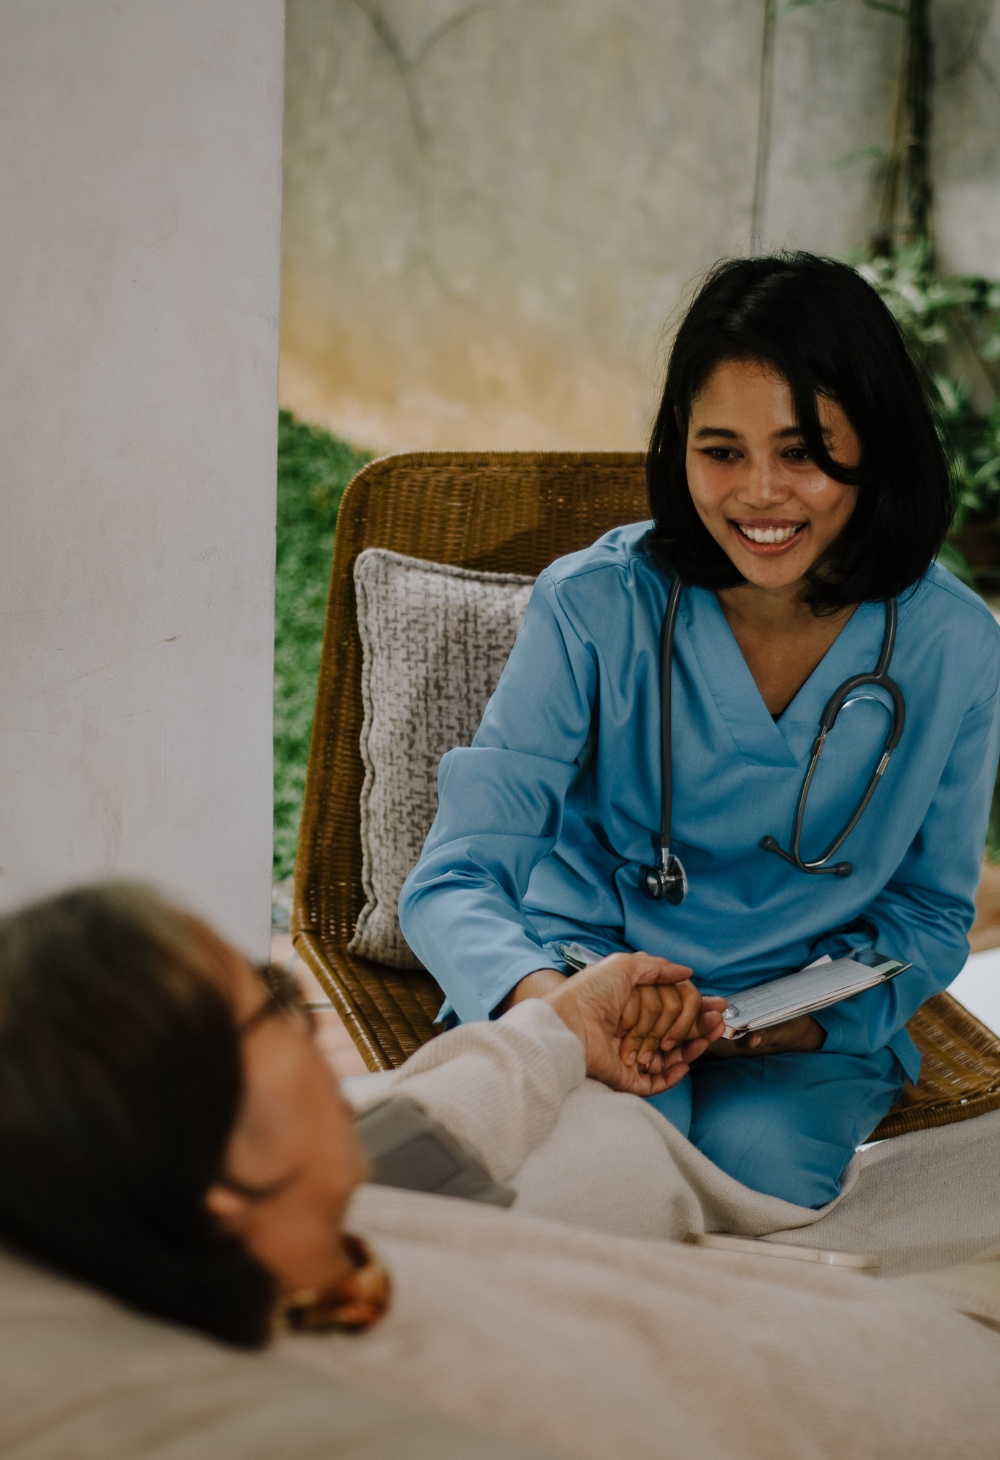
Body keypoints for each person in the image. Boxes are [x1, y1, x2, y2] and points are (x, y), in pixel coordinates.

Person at [0, 882, 998, 1460]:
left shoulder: (287, 1209)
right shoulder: (309, 1403)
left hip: (823, 1313)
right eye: (267, 1000)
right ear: (222, 1154)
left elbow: (421, 1119)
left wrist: (565, 1023)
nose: (302, 1018)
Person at [399, 252, 1000, 1208]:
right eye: (722, 451)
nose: (758, 493)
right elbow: (454, 877)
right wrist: (554, 1009)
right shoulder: (591, 607)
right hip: (588, 975)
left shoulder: (954, 643)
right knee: (601, 1179)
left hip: (803, 1022)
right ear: (680, 448)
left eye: (802, 452)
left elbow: (930, 914)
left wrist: (796, 1027)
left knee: (756, 1183)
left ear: (875, 447)